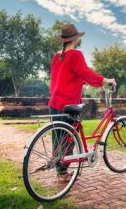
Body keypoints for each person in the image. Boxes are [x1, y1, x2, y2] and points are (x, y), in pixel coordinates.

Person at [48, 24, 115, 181]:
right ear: (75, 39)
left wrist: (79, 82)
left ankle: (60, 171)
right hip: (68, 102)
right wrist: (106, 80)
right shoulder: (76, 54)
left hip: (54, 102)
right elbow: (85, 72)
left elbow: (64, 76)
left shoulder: (56, 55)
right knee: (68, 139)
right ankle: (63, 173)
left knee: (58, 138)